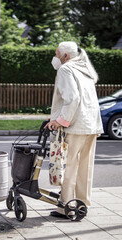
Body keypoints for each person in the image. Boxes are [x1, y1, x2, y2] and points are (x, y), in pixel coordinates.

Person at [46, 41, 104, 219]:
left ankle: (66, 207)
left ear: (65, 56)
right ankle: (82, 204)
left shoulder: (66, 69)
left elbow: (72, 99)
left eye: (56, 54)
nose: (55, 58)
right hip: (91, 125)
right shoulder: (84, 68)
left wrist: (60, 121)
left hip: (75, 126)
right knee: (85, 167)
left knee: (68, 166)